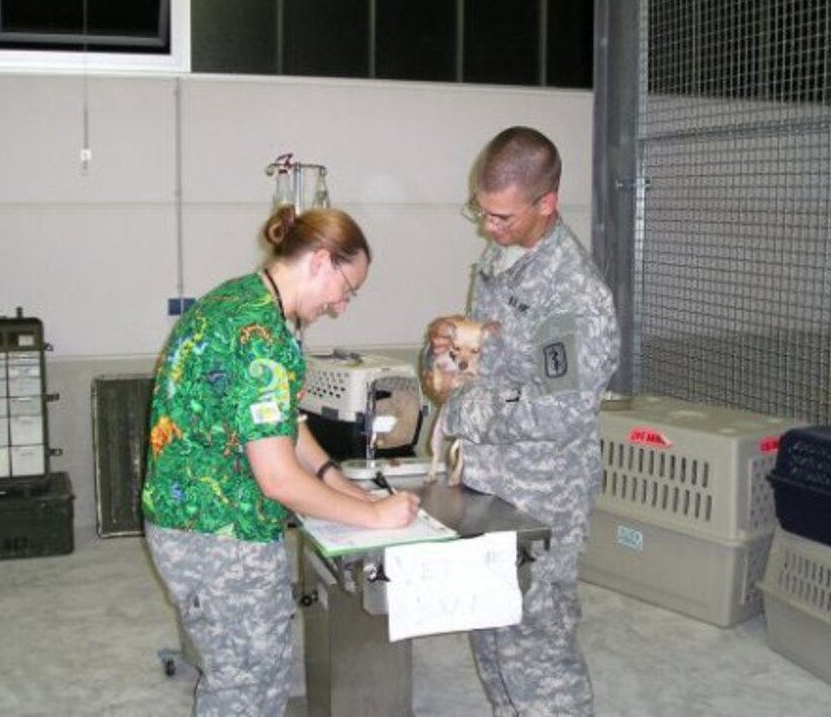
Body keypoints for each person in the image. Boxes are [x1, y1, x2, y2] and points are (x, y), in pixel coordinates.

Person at [142, 206, 420, 717]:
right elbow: (276, 478)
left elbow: (285, 426)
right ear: (320, 261)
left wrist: (340, 484)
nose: (341, 305)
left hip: (190, 526)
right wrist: (375, 517)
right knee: (247, 689)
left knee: (249, 674)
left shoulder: (238, 302)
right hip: (222, 539)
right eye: (347, 288)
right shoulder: (263, 336)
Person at [424, 126, 619, 716]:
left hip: (540, 494)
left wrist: (463, 406)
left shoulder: (572, 296)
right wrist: (456, 343)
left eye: (502, 217)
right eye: (481, 212)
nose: (489, 227)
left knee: (536, 648)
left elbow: (559, 408)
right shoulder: (502, 256)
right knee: (490, 633)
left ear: (547, 204)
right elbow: (498, 357)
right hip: (490, 481)